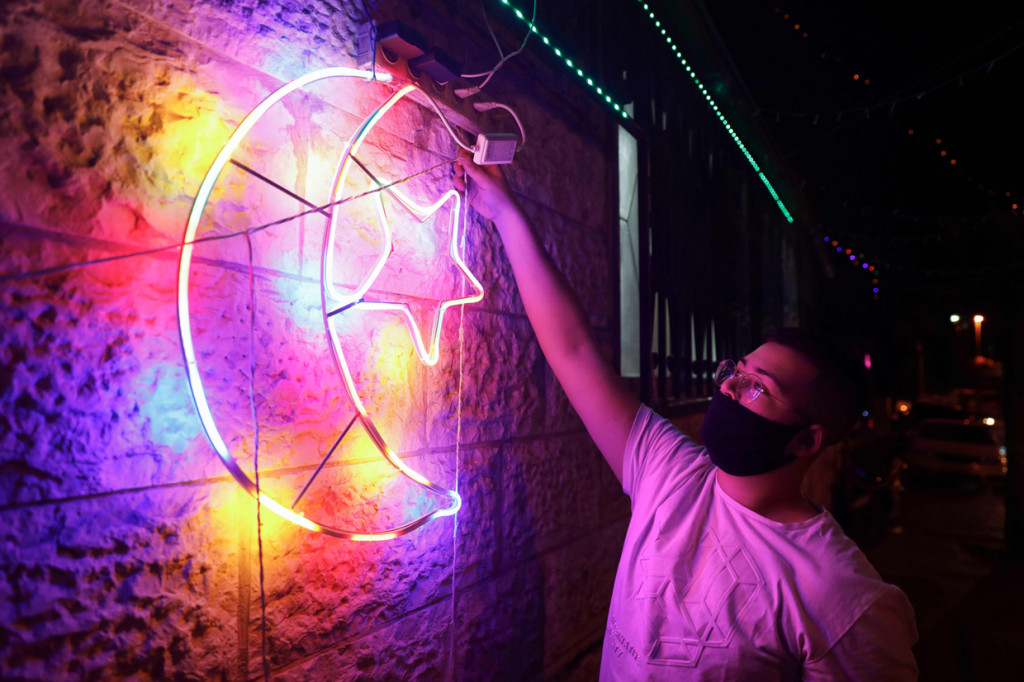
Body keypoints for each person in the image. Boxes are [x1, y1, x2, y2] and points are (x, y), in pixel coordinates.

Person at [453, 151, 918, 680]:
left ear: (806, 441)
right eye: (735, 371)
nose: (728, 388)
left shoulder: (841, 598)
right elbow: (574, 350)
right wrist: (506, 212)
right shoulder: (669, 472)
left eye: (756, 389)